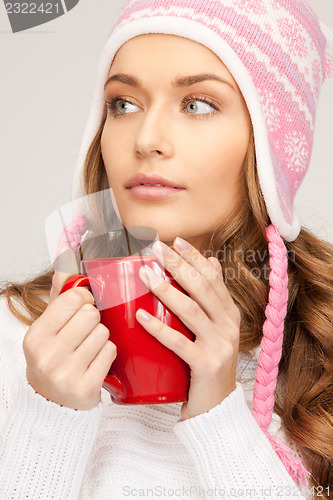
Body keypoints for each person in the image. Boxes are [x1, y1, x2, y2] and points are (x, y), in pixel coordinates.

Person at [0, 0, 332, 498]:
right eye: (123, 104)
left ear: (272, 146)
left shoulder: (321, 350)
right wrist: (50, 416)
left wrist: (220, 415)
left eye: (198, 103)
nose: (147, 139)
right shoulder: (17, 338)